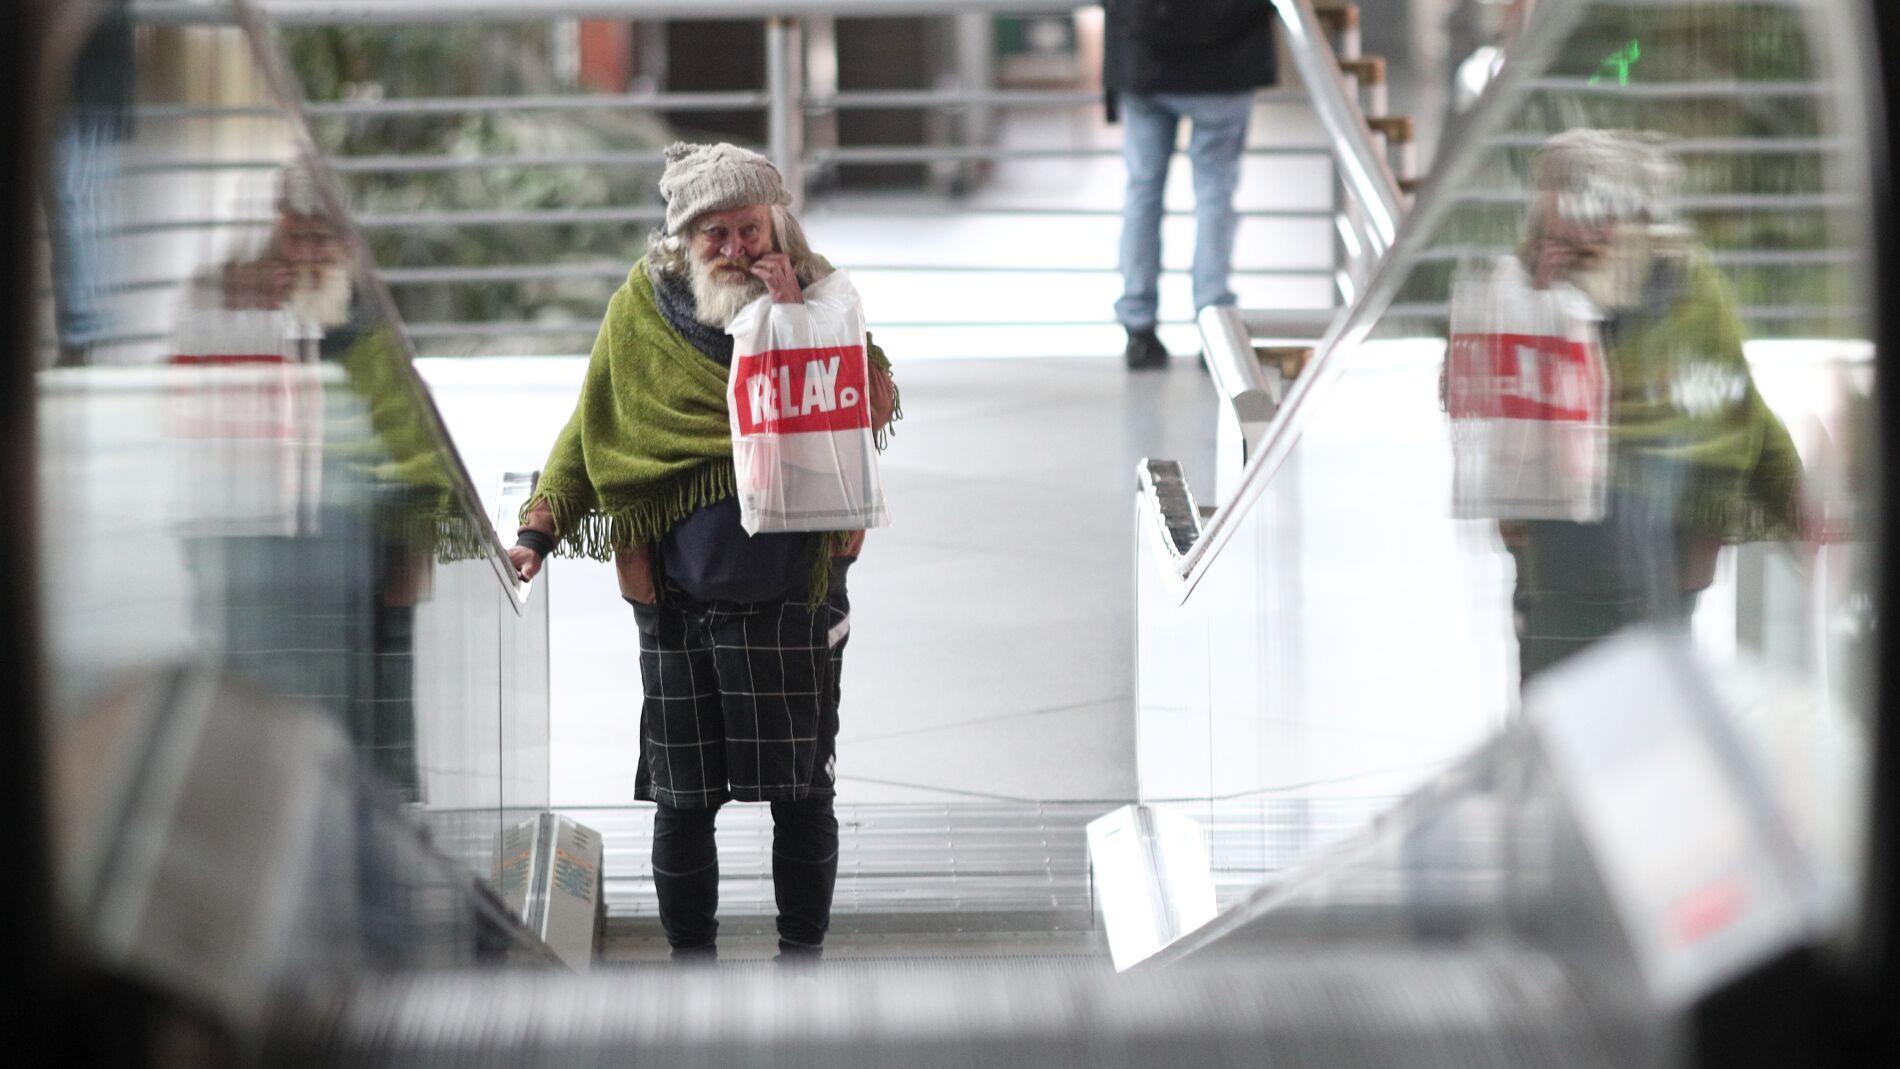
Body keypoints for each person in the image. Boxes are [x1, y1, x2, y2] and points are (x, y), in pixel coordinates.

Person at [508, 142, 897, 965]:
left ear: (775, 224)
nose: (735, 248)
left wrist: (794, 321)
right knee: (682, 803)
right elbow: (589, 426)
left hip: (795, 595)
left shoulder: (822, 293)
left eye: (749, 228)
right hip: (679, 605)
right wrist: (540, 528)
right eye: (713, 234)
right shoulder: (641, 313)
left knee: (804, 794)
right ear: (683, 239)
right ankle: (693, 968)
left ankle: (802, 964)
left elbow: (872, 398)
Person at [1500, 129, 1803, 683]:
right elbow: (1501, 404)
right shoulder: (1528, 282)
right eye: (1552, 221)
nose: (1574, 236)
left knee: (1647, 684)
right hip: (1562, 552)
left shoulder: (1685, 283)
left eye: (1592, 213)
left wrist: (1793, 497)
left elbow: (1734, 398)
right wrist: (1543, 304)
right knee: (1568, 688)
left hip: (1669, 541)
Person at [1103, 0, 1276, 370]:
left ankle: (1139, 328)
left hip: (1144, 59)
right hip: (1225, 64)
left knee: (1143, 192)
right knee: (1215, 195)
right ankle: (1215, 324)